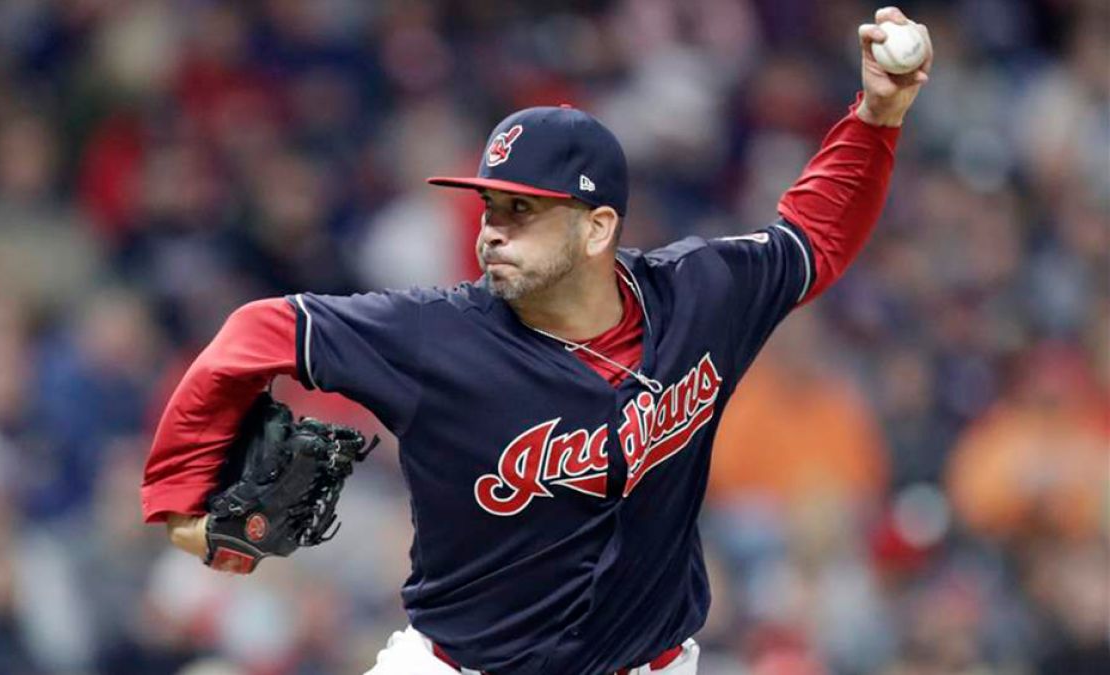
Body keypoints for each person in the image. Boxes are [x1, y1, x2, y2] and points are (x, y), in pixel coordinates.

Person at [141, 8, 932, 674]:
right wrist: (180, 496)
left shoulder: (698, 296)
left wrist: (878, 117)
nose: (491, 231)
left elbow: (813, 237)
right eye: (490, 208)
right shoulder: (435, 335)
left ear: (597, 228)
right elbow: (260, 330)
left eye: (521, 211)